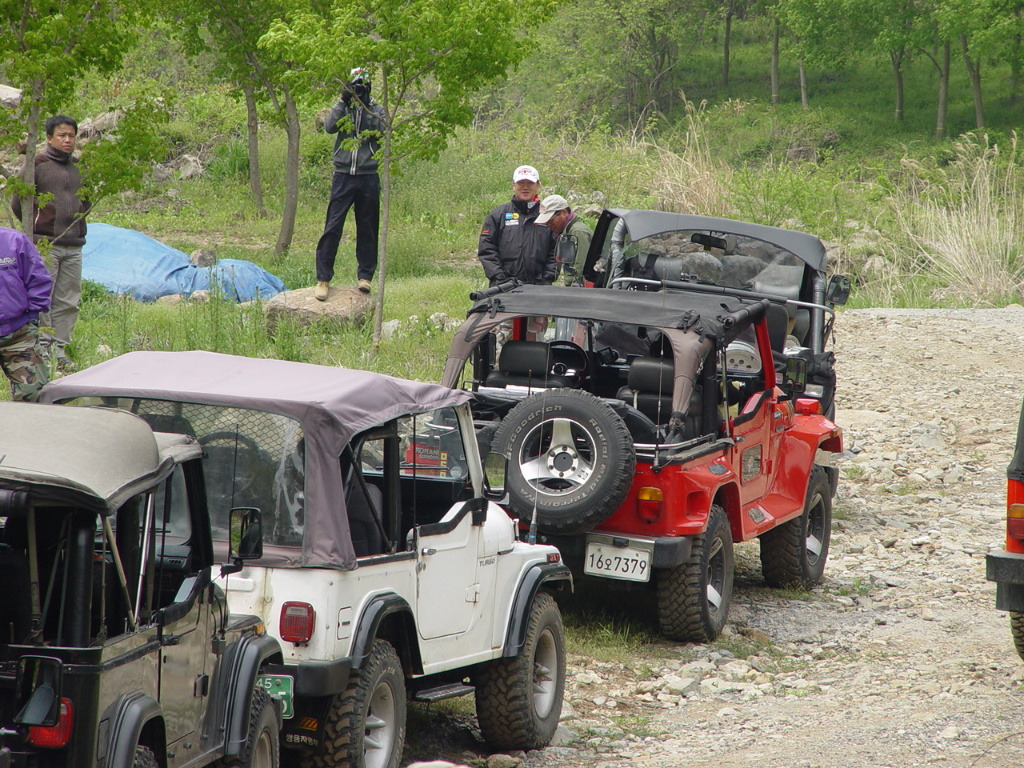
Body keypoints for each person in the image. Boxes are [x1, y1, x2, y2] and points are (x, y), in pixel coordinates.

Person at [12, 114, 90, 370]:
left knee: (69, 300)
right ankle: (43, 350)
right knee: (43, 298)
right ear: (48, 138)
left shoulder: (78, 167)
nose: (67, 140)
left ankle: (61, 350)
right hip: (46, 244)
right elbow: (19, 202)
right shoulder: (38, 165)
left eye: (71, 136)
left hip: (74, 244)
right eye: (62, 135)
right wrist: (37, 229)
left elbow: (86, 200)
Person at [314, 67, 387, 300]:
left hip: (368, 176)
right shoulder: (343, 107)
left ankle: (365, 277)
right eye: (354, 86)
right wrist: (343, 100)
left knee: (367, 227)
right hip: (343, 175)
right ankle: (323, 279)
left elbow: (382, 129)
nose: (357, 91)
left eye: (361, 87)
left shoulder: (375, 108)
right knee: (333, 227)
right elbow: (328, 127)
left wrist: (365, 106)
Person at [477, 165, 557, 287]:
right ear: (514, 185)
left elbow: (556, 250)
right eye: (521, 183)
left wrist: (547, 277)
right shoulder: (498, 214)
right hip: (504, 286)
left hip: (540, 287)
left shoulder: (548, 216)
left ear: (538, 185)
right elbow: (487, 249)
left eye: (530, 183)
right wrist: (499, 277)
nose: (525, 187)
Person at [0, 226, 52, 401]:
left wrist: (33, 316)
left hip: (18, 334)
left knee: (34, 394)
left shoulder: (14, 241)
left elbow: (38, 279)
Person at [534, 194, 592, 286]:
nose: (548, 224)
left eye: (550, 220)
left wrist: (575, 288)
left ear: (564, 212)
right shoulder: (567, 232)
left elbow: (581, 266)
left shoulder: (578, 232)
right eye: (546, 221)